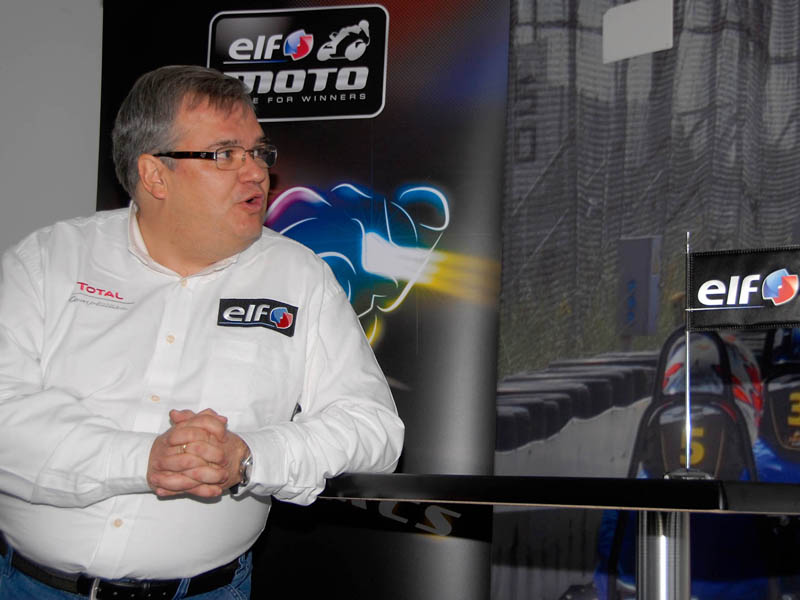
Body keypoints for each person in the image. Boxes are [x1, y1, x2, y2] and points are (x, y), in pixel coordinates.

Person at [0, 65, 404, 599]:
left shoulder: (299, 276)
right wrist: (143, 461)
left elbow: (373, 428)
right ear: (155, 175)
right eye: (225, 154)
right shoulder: (47, 261)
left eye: (259, 152)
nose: (256, 172)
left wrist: (249, 457)